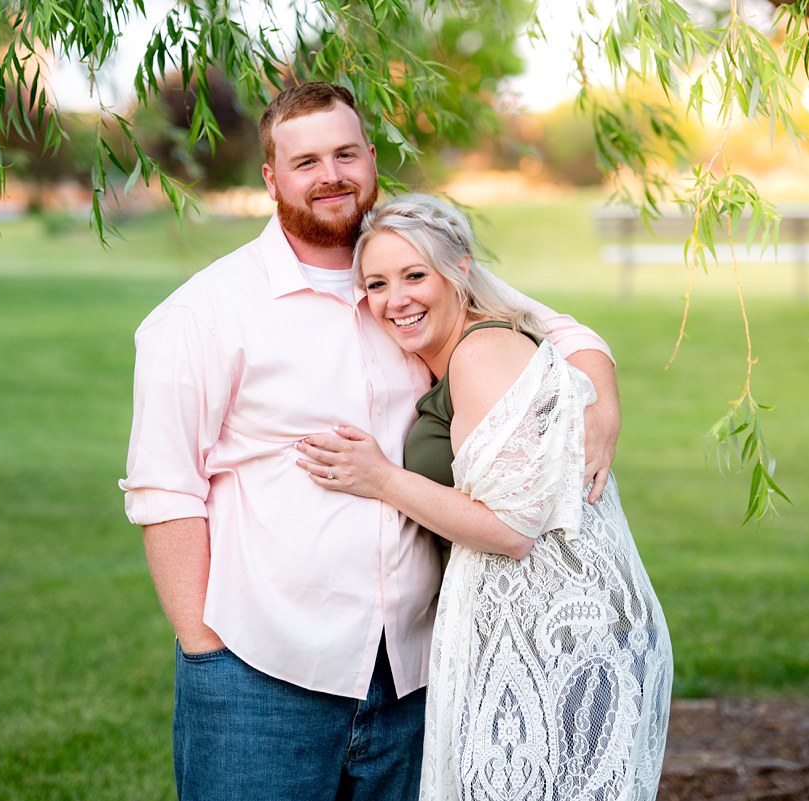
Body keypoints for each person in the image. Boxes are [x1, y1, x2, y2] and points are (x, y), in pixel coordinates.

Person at [119, 82, 622, 801]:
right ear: (271, 177)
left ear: (370, 159)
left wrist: (602, 404)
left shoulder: (409, 271)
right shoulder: (204, 314)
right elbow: (164, 489)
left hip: (416, 671)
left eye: (345, 153)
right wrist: (206, 651)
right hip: (263, 672)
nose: (331, 175)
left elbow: (560, 331)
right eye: (306, 161)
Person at [294, 194, 672, 801]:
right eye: (378, 284)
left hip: (565, 637)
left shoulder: (482, 353)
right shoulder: (455, 354)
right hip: (532, 631)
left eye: (416, 275)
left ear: (460, 269)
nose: (397, 299)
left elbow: (510, 530)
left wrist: (381, 477)